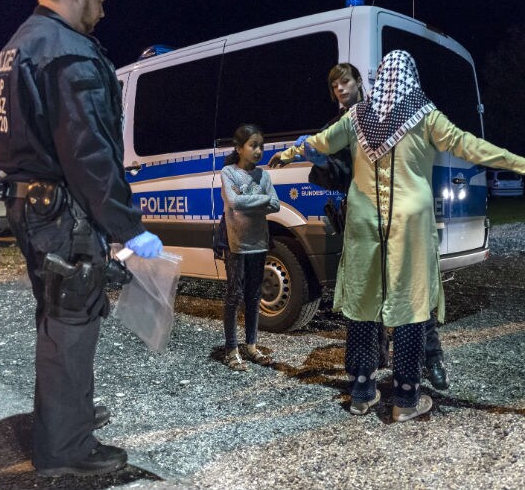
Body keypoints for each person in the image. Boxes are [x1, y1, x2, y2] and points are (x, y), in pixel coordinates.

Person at [270, 50, 525, 421]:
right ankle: (405, 400)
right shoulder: (425, 115)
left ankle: (361, 393)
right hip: (410, 223)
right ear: (410, 77)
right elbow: (470, 146)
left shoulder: (357, 116)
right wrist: (519, 163)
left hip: (362, 222)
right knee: (410, 305)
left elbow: (319, 143)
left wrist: (289, 153)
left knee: (362, 303)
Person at [0, 0, 163, 477]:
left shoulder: (19, 44)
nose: (103, 8)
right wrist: (128, 226)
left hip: (32, 204)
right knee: (72, 320)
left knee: (57, 313)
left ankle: (68, 417)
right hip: (60, 210)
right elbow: (88, 151)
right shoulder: (65, 51)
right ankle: (65, 448)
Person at [270, 62, 450, 390]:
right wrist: (312, 159)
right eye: (334, 85)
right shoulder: (338, 125)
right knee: (369, 294)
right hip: (364, 221)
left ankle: (432, 358)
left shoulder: (386, 114)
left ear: (358, 82)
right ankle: (376, 358)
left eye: (345, 81)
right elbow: (337, 175)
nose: (340, 89)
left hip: (399, 216)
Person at [220, 124, 280, 371]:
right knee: (234, 295)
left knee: (254, 295)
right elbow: (233, 202)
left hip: (258, 242)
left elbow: (276, 204)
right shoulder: (228, 172)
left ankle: (251, 346)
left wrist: (251, 202)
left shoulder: (263, 175)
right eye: (253, 145)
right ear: (239, 148)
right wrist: (263, 199)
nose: (258, 151)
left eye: (261, 146)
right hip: (236, 243)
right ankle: (231, 349)